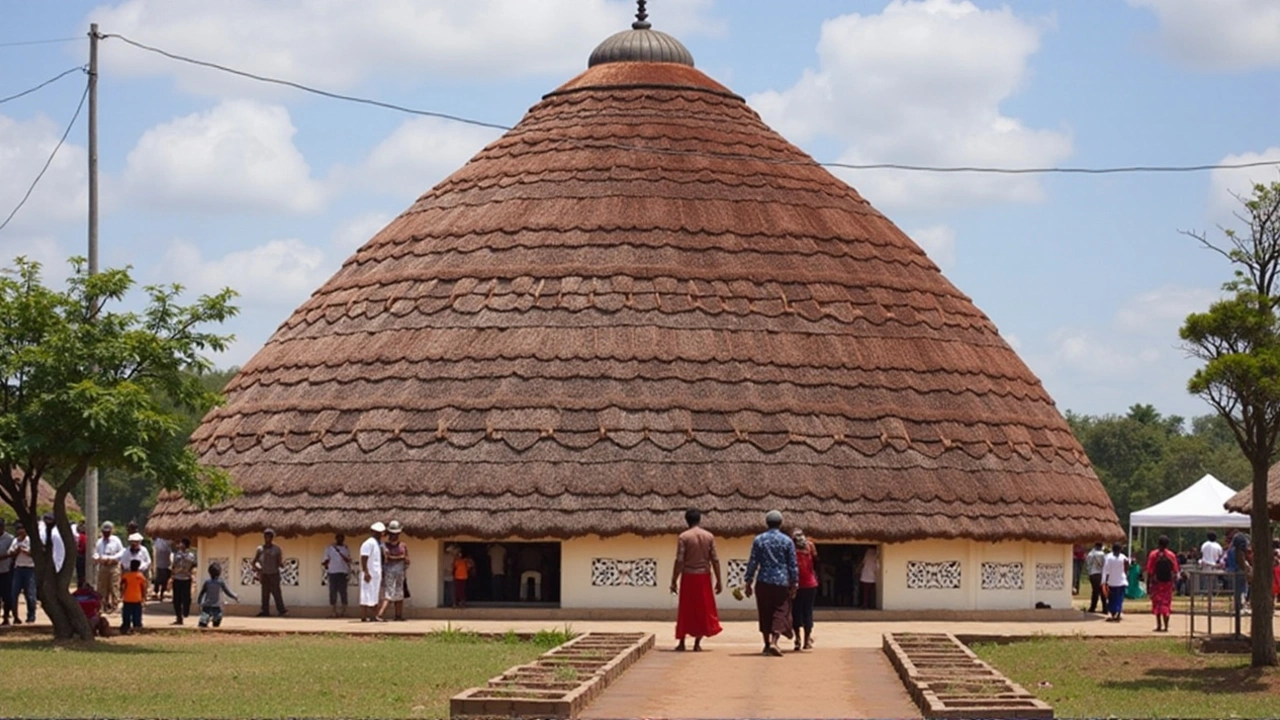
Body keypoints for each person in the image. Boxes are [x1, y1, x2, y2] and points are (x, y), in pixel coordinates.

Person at [743, 510, 798, 656]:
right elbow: (792, 564)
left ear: (767, 523)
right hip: (781, 581)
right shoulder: (787, 541)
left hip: (763, 580)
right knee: (780, 610)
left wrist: (748, 581)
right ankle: (774, 642)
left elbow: (753, 562)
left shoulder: (759, 540)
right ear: (780, 523)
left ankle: (767, 643)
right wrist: (795, 583)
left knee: (764, 611)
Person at [670, 508, 722, 652]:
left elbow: (679, 560)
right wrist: (719, 580)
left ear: (687, 520)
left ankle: (681, 642)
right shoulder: (709, 536)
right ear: (699, 520)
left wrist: (674, 580)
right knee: (703, 609)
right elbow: (715, 559)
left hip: (688, 576)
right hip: (704, 576)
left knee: (685, 609)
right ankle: (697, 643)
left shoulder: (684, 537)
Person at [1145, 535, 1179, 632]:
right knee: (1166, 604)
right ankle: (1166, 626)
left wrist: (1148, 585)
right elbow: (1175, 570)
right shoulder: (1171, 555)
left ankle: (1159, 625)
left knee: (1157, 604)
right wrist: (1174, 584)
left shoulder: (1153, 555)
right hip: (1167, 584)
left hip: (1156, 583)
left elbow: (1150, 571)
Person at [791, 529, 818, 651]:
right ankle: (807, 640)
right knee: (808, 611)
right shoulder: (810, 548)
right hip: (811, 584)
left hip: (796, 585)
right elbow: (816, 559)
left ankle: (797, 639)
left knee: (796, 611)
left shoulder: (791, 551)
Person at [378, 521, 409, 620]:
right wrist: (401, 557)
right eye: (392, 534)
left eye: (396, 534)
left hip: (401, 572)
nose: (394, 536)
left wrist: (404, 559)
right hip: (389, 573)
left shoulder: (403, 545)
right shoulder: (384, 546)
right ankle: (379, 615)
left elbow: (407, 559)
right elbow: (387, 558)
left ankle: (398, 616)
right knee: (389, 594)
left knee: (400, 594)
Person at [252, 528, 287, 617]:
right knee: (265, 594)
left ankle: (281, 610)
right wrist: (258, 569)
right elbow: (254, 561)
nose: (267, 538)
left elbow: (279, 562)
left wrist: (283, 565)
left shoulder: (277, 549)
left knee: (277, 593)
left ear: (272, 538)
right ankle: (265, 611)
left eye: (269, 536)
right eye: (266, 536)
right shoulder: (260, 549)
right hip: (264, 574)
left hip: (274, 574)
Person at [93, 521, 124, 613]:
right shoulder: (99, 542)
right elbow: (96, 553)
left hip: (113, 566)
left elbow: (121, 552)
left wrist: (112, 558)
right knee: (102, 587)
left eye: (108, 532)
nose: (106, 533)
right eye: (104, 531)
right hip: (103, 566)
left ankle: (115, 605)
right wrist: (98, 558)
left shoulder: (116, 540)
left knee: (114, 586)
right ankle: (103, 605)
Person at [8, 522, 36, 624]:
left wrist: (23, 550)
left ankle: (31, 616)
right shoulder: (15, 541)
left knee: (30, 595)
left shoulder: (30, 540)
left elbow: (33, 554)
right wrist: (16, 551)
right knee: (14, 593)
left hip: (29, 569)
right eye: (18, 529)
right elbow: (10, 553)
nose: (20, 531)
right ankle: (16, 616)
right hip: (18, 569)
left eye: (22, 529)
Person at [197, 562, 238, 628]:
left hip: (207, 605)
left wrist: (199, 602)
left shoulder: (207, 582)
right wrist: (234, 596)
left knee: (203, 621)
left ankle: (204, 622)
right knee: (217, 619)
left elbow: (202, 592)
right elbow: (227, 592)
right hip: (217, 606)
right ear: (219, 573)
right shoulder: (220, 582)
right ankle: (213, 622)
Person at [322, 532, 352, 618]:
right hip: (332, 572)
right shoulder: (329, 548)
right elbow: (325, 560)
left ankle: (344, 611)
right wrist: (328, 565)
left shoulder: (346, 548)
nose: (340, 539)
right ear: (336, 538)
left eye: (341, 538)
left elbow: (348, 559)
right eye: (338, 538)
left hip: (343, 572)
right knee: (332, 592)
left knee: (343, 592)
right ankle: (333, 611)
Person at [360, 522, 385, 622]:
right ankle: (364, 616)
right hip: (369, 573)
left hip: (375, 574)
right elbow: (364, 558)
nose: (378, 534)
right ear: (372, 532)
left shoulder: (378, 544)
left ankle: (374, 616)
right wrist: (366, 571)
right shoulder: (368, 543)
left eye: (380, 533)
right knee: (366, 595)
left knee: (374, 594)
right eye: (376, 532)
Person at [169, 537, 197, 625]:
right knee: (177, 599)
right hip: (177, 578)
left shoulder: (191, 555)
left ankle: (185, 611)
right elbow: (173, 566)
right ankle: (179, 616)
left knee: (186, 597)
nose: (179, 545)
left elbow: (193, 565)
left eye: (181, 543)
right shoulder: (177, 555)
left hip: (186, 578)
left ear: (185, 545)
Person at [1101, 542, 1129, 622]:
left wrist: (1104, 581)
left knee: (1112, 599)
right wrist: (1126, 574)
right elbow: (1127, 566)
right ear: (1120, 550)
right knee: (1119, 598)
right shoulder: (1123, 557)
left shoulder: (1108, 557)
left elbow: (1106, 570)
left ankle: (1114, 614)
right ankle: (1118, 613)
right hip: (1121, 581)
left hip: (1112, 582)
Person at [1224, 532, 1251, 615]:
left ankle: (1239, 606)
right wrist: (1248, 571)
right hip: (1239, 572)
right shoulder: (1238, 551)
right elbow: (1241, 564)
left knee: (1237, 590)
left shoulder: (1230, 550)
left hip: (1231, 571)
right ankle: (1241, 607)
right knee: (1242, 590)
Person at [119, 558, 148, 634]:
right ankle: (137, 627)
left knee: (126, 615)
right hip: (137, 598)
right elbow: (144, 588)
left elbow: (122, 586)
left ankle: (126, 627)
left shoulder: (126, 576)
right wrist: (144, 597)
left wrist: (121, 595)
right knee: (136, 615)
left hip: (127, 598)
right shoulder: (140, 576)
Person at [0, 519, 15, 625]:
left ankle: (6, 617)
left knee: (7, 597)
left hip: (6, 571)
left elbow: (13, 553)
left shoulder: (10, 539)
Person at [1085, 542, 1106, 613]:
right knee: (1102, 591)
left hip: (1093, 573)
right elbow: (1104, 564)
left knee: (1095, 592)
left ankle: (1093, 607)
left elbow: (1088, 564)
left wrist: (1089, 572)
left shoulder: (1091, 554)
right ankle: (1105, 608)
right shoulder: (1103, 554)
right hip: (1101, 573)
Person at [152, 536, 172, 602]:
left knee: (164, 581)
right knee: (158, 580)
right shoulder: (158, 541)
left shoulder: (168, 542)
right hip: (160, 564)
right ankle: (157, 592)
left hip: (166, 565)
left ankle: (161, 594)